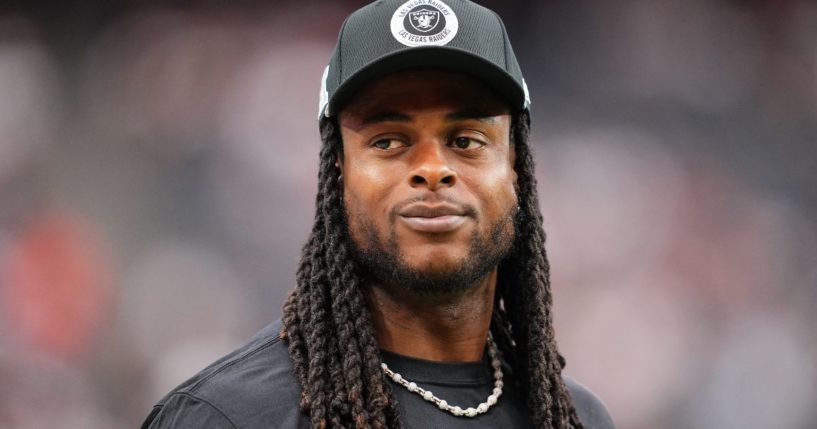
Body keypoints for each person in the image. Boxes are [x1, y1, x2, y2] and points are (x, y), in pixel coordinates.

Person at [142, 1, 616, 428]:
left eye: (466, 140)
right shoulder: (227, 418)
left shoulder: (574, 419)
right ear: (338, 173)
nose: (433, 170)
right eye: (388, 141)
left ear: (515, 167)